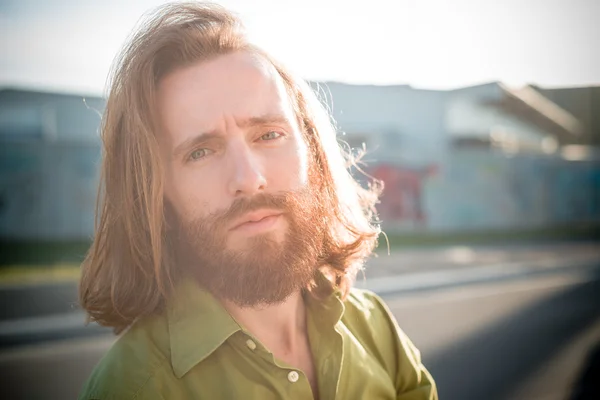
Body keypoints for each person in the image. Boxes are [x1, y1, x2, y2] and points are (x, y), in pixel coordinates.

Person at [78, 2, 437, 399]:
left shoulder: (376, 330)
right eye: (200, 152)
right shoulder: (132, 388)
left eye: (268, 135)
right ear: (157, 194)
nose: (249, 180)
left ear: (312, 152)